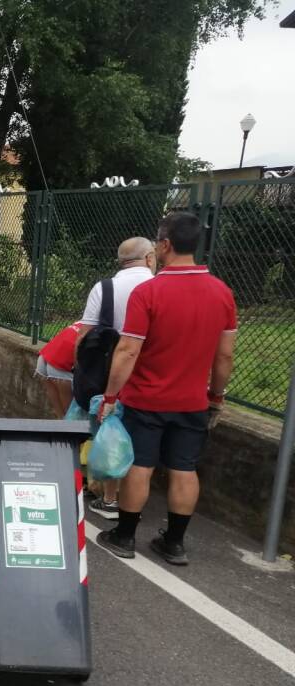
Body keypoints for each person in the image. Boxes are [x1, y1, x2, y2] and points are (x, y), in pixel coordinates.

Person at [96, 212, 236, 566]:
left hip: (146, 398)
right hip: (192, 401)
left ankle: (125, 535)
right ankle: (174, 542)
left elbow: (128, 350)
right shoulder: (223, 293)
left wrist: (111, 397)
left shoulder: (149, 292)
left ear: (165, 245)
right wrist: (215, 399)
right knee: (184, 468)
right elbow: (224, 357)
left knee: (140, 466)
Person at [76, 237, 155, 519]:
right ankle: (134, 500)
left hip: (110, 370)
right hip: (151, 372)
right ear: (149, 257)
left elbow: (85, 333)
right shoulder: (157, 287)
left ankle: (110, 497)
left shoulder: (105, 287)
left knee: (110, 428)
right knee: (143, 438)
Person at [36, 321, 82, 417]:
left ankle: (62, 425)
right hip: (60, 364)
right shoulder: (109, 327)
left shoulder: (87, 318)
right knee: (71, 414)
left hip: (45, 356)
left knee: (61, 414)